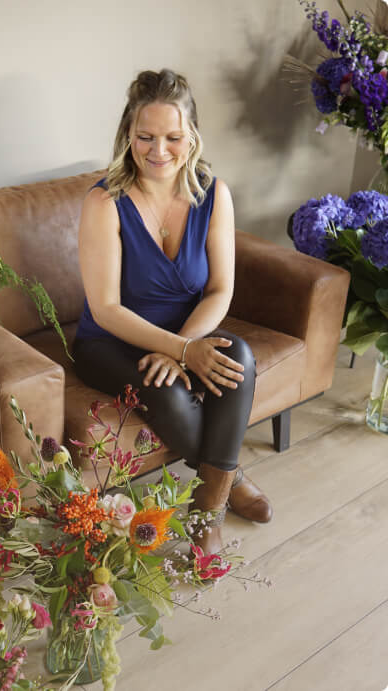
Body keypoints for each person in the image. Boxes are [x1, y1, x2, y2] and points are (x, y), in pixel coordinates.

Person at [73, 69, 272, 555]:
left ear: (192, 137)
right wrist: (180, 352)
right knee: (171, 395)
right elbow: (106, 307)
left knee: (238, 359)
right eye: (145, 136)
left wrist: (186, 346)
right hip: (110, 341)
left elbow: (220, 290)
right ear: (128, 135)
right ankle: (230, 479)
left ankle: (205, 516)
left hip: (186, 331)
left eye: (172, 137)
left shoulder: (212, 193)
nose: (158, 150)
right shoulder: (104, 202)